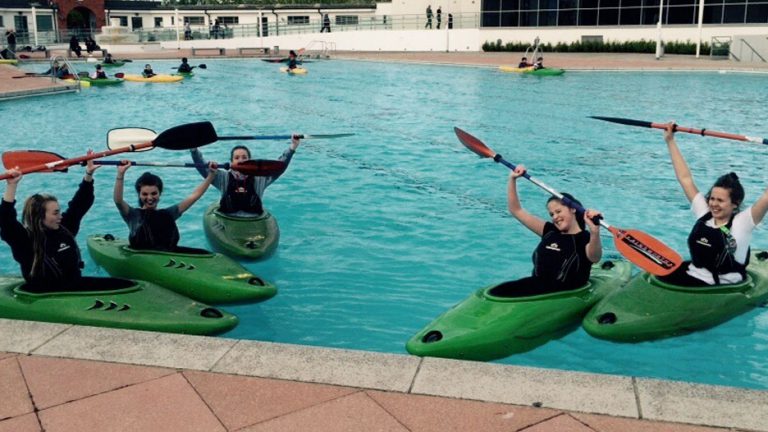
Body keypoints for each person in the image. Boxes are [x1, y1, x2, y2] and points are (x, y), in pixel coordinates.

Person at [657, 123, 768, 286]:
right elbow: (685, 179)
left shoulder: (742, 223)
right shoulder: (705, 214)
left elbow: (766, 196)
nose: (714, 204)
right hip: (692, 274)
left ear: (735, 204)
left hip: (719, 286)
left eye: (720, 200)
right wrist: (670, 141)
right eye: (712, 198)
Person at [490, 165, 603, 297]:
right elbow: (516, 210)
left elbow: (595, 257)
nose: (555, 217)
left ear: (573, 209)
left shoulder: (584, 237)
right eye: (551, 214)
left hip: (563, 293)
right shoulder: (549, 231)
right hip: (537, 287)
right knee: (496, 292)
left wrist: (595, 231)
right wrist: (512, 179)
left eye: (558, 211)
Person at [0, 154, 99, 292]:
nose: (60, 216)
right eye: (55, 213)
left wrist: (89, 174)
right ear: (39, 217)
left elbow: (80, 204)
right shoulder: (25, 241)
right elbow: (6, 221)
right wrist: (11, 186)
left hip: (75, 291)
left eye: (59, 211)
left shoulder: (64, 229)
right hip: (45, 296)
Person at [113, 162, 217, 251]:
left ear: (160, 193)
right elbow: (118, 201)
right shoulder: (132, 214)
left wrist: (211, 176)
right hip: (141, 258)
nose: (149, 198)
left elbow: (194, 196)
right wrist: (120, 174)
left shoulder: (169, 214)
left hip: (166, 257)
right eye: (145, 194)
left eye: (154, 193)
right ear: (139, 195)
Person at [190, 136, 301, 216]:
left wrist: (292, 147)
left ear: (250, 160)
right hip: (228, 218)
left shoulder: (260, 178)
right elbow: (203, 169)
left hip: (253, 220)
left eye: (244, 157)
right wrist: (194, 150)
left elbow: (279, 168)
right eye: (237, 158)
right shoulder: (222, 177)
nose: (241, 160)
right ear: (231, 161)